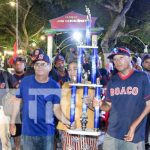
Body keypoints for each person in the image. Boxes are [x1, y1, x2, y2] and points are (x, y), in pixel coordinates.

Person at [9, 53, 74, 150]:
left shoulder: (54, 86)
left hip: (47, 133)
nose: (39, 66)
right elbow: (17, 100)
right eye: (37, 64)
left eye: (43, 64)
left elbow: (56, 109)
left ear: (50, 67)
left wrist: (66, 121)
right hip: (28, 132)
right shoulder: (25, 82)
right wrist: (12, 121)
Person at [90, 47, 150, 150]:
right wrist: (99, 105)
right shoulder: (113, 80)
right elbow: (108, 106)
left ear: (129, 58)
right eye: (115, 59)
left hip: (133, 134)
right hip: (112, 132)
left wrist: (134, 125)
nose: (117, 62)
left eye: (121, 57)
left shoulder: (142, 77)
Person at [57, 61, 98, 150]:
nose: (72, 72)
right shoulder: (65, 85)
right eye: (69, 69)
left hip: (86, 131)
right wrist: (67, 122)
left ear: (83, 70)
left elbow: (98, 109)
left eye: (75, 69)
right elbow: (59, 107)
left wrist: (90, 103)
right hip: (67, 129)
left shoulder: (91, 86)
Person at [0, 68, 18, 150]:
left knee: (5, 140)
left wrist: (14, 96)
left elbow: (19, 87)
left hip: (3, 110)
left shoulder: (5, 74)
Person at [12, 56, 26, 150]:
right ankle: (17, 148)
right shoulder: (10, 77)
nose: (19, 66)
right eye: (17, 64)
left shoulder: (29, 77)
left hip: (28, 107)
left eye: (20, 63)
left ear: (24, 65)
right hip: (15, 108)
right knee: (17, 132)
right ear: (14, 66)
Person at [141, 54, 150, 149]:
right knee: (145, 123)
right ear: (142, 63)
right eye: (147, 62)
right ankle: (145, 142)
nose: (149, 64)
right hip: (144, 104)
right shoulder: (139, 75)